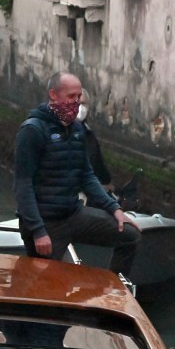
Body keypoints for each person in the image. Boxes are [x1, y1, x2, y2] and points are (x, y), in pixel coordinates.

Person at [14, 72, 140, 276]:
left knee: (130, 235)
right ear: (53, 95)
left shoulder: (78, 130)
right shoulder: (32, 131)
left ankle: (114, 288)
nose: (76, 102)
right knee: (47, 286)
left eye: (79, 96)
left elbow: (87, 176)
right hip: (46, 223)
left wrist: (115, 209)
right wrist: (38, 231)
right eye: (71, 96)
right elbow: (23, 185)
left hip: (73, 214)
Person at [77, 89, 111, 190]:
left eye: (83, 104)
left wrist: (106, 182)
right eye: (76, 103)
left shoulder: (89, 134)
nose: (80, 108)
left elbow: (98, 162)